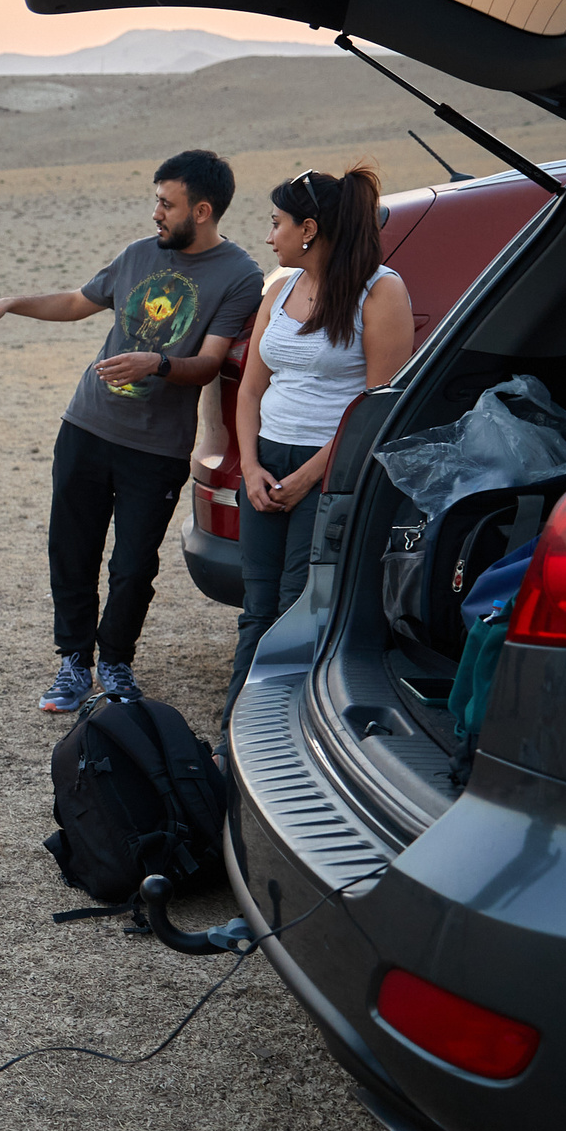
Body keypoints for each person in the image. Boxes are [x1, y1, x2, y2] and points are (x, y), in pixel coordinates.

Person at [0, 150, 266, 713]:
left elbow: (212, 362)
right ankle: (74, 662)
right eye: (156, 200)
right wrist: (12, 303)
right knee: (71, 550)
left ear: (201, 210)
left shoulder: (239, 276)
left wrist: (158, 364)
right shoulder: (137, 256)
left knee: (132, 566)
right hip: (88, 426)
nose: (155, 213)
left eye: (166, 204)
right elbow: (78, 302)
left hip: (157, 447)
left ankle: (116, 663)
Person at [223, 166, 412, 720]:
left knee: (295, 611)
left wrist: (307, 479)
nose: (268, 236)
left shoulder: (381, 291)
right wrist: (251, 468)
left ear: (308, 228)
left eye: (275, 223)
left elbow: (378, 405)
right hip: (267, 466)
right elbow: (251, 388)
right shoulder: (278, 290)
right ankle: (235, 737)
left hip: (329, 472)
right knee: (256, 609)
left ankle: (280, 736)